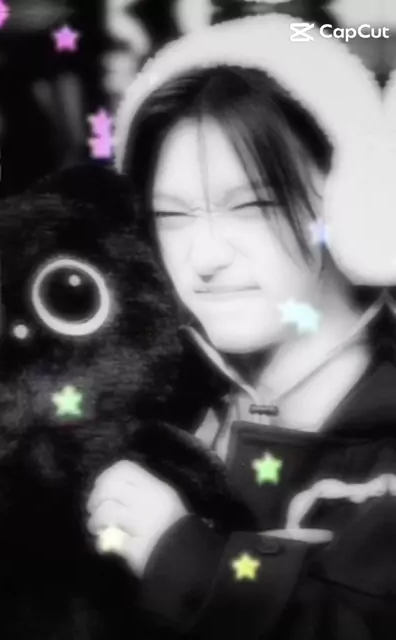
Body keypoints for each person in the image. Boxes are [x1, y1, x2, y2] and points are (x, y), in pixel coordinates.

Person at [86, 15, 396, 639]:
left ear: (353, 200)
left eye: (251, 206)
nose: (204, 258)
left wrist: (185, 560)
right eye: (173, 217)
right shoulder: (158, 425)